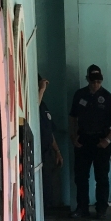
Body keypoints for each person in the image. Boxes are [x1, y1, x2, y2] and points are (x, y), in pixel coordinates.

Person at [69, 64, 111, 219]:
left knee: (102, 177)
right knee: (81, 177)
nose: (96, 84)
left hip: (101, 140)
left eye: (98, 81)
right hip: (83, 139)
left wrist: (107, 139)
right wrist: (73, 135)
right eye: (93, 82)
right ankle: (82, 208)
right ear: (87, 80)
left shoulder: (107, 97)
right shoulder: (80, 95)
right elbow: (72, 117)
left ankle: (101, 209)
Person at [38, 75, 63, 212]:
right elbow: (32, 113)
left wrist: (57, 151)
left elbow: (49, 130)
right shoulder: (33, 103)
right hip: (37, 151)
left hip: (47, 151)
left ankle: (45, 218)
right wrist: (40, 90)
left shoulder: (43, 105)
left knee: (47, 187)